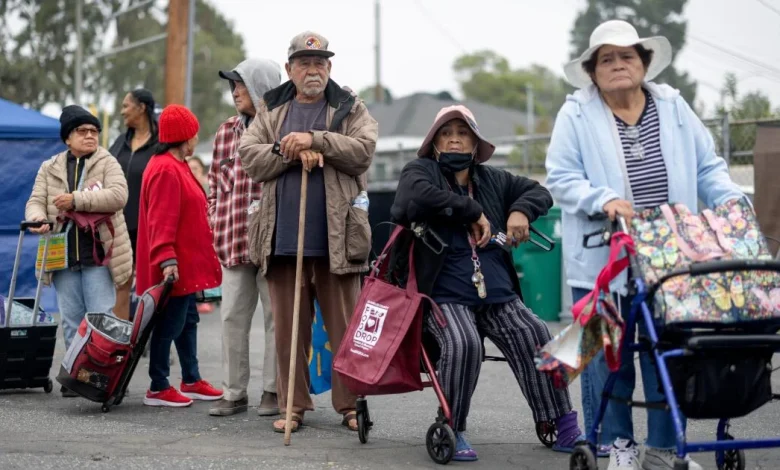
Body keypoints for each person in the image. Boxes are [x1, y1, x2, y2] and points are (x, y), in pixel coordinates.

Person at [545, 20, 744, 470]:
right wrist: (604, 199)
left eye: (627, 56)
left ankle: (662, 448)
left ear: (645, 62)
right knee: (603, 357)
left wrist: (732, 201)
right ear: (593, 71)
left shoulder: (673, 106)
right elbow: (561, 176)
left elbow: (707, 167)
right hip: (603, 255)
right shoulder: (575, 112)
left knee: (666, 353)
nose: (618, 65)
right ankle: (618, 445)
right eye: (607, 59)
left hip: (670, 255)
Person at [390, 105, 583, 461]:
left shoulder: (493, 179)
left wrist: (520, 211)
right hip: (443, 294)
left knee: (535, 332)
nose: (453, 139)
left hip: (495, 292)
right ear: (433, 143)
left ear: (475, 144)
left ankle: (560, 419)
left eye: (462, 133)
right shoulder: (420, 171)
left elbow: (540, 192)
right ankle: (453, 424)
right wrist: (472, 211)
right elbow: (409, 200)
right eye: (445, 133)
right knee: (464, 344)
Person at [238, 31, 377, 433]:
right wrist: (289, 149)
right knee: (288, 331)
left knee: (344, 328)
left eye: (319, 63)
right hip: (283, 239)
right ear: (290, 69)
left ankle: (351, 406)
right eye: (303, 62)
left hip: (338, 238)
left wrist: (318, 141)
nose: (312, 69)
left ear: (329, 67)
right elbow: (250, 156)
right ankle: (293, 406)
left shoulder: (350, 105)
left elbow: (363, 151)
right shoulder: (272, 108)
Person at [25, 105, 133, 397]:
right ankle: (79, 378)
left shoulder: (107, 161)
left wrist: (75, 200)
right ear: (67, 138)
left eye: (94, 131)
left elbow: (118, 196)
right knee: (72, 321)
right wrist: (37, 218)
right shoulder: (50, 167)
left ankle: (99, 381)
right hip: (62, 257)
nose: (89, 136)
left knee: (99, 320)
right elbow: (35, 201)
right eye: (82, 131)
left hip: (99, 256)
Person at [207, 58, 282, 417]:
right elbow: (213, 188)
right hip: (232, 239)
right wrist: (214, 219)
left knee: (276, 319)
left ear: (261, 86)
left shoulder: (283, 127)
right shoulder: (225, 131)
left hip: (273, 242)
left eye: (241, 84)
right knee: (231, 318)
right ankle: (234, 392)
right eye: (232, 85)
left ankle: (273, 390)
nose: (235, 91)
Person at [135, 104, 224, 407]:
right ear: (184, 137)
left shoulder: (175, 164)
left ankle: (191, 379)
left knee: (187, 321)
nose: (197, 139)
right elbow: (162, 220)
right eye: (194, 133)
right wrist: (167, 259)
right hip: (173, 266)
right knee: (168, 325)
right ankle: (158, 386)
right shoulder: (165, 169)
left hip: (185, 265)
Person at [109, 88, 159, 320]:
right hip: (120, 226)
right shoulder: (120, 143)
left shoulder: (162, 143)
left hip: (151, 226)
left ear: (142, 108)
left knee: (153, 286)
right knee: (121, 283)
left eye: (126, 105)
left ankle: (153, 340)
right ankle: (120, 343)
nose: (122, 111)